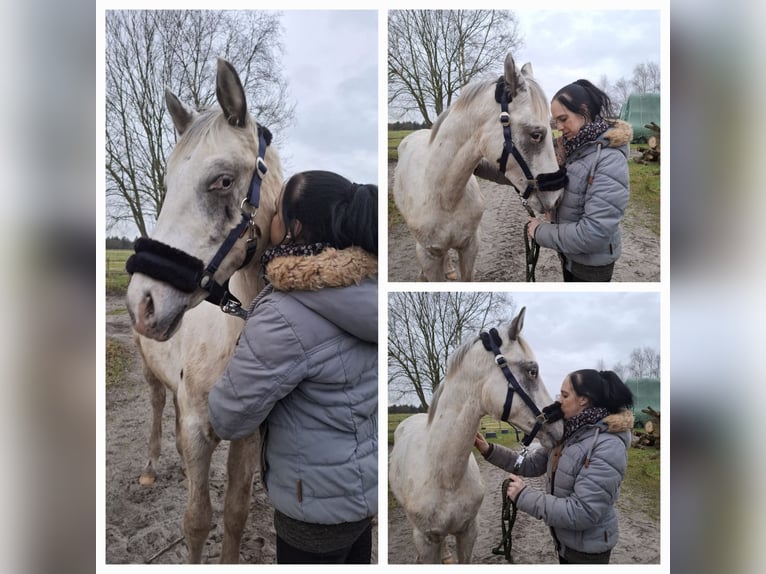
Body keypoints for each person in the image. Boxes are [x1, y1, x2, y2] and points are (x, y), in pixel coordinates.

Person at [208, 170, 378, 564]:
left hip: (310, 515)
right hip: (358, 497)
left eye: (278, 210)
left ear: (294, 228)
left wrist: (243, 353)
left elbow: (227, 419)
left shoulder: (283, 313)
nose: (270, 218)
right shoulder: (369, 289)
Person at [474, 369, 635, 564]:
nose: (558, 401)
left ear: (583, 399)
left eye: (565, 395)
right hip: (565, 542)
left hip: (588, 551)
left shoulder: (607, 445)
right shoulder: (567, 433)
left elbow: (582, 512)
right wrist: (488, 449)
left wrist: (523, 496)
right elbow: (532, 464)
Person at [527, 79, 633, 281]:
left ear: (583, 110)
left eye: (563, 119)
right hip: (571, 257)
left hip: (591, 268)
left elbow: (593, 234)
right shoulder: (575, 148)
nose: (559, 127)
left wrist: (540, 231)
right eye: (556, 121)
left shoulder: (609, 159)